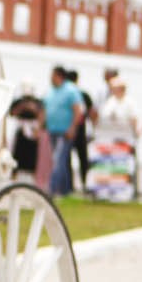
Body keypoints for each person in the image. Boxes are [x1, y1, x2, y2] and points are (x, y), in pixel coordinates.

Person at [90, 74, 139, 202]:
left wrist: (134, 134)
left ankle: (125, 192)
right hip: (108, 139)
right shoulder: (110, 101)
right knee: (109, 165)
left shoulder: (129, 102)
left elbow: (133, 119)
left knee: (124, 166)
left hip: (124, 139)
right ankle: (106, 191)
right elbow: (102, 117)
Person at [43, 67, 86, 197]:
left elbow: (78, 110)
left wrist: (72, 128)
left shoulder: (71, 90)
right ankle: (66, 189)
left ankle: (53, 189)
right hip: (53, 130)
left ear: (59, 76)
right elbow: (45, 109)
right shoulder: (51, 91)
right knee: (60, 161)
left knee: (58, 159)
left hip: (65, 131)